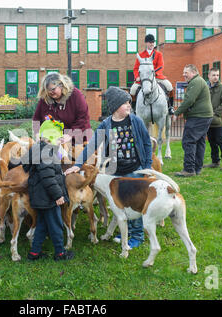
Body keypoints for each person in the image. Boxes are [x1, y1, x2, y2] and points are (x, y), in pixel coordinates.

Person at [65, 86, 152, 249]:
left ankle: (137, 235)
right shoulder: (106, 124)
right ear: (115, 106)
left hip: (135, 169)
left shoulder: (136, 121)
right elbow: (91, 146)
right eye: (125, 103)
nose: (129, 105)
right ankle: (126, 230)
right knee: (121, 203)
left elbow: (147, 143)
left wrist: (146, 167)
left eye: (129, 102)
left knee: (135, 202)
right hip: (116, 171)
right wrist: (77, 165)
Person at [22, 117, 73, 261]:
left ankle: (34, 253)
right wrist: (58, 195)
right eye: (59, 139)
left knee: (42, 225)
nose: (61, 142)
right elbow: (48, 178)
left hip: (40, 196)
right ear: (52, 137)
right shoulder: (47, 153)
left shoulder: (39, 149)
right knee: (56, 225)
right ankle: (60, 253)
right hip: (48, 197)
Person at [173, 64, 213, 177]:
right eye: (183, 72)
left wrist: (177, 113)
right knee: (200, 142)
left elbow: (189, 100)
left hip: (198, 117)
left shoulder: (196, 82)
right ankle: (197, 168)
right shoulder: (199, 81)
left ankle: (189, 170)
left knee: (188, 141)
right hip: (205, 116)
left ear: (194, 72)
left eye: (186, 72)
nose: (184, 74)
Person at [33, 72, 91, 145]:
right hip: (54, 141)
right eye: (47, 90)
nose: (50, 92)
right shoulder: (44, 99)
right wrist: (37, 134)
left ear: (61, 85)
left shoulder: (76, 95)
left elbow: (83, 119)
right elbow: (36, 119)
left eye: (53, 89)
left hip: (78, 141)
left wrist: (70, 135)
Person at [130, 34, 175, 115]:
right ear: (146, 43)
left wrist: (155, 74)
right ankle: (133, 110)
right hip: (143, 78)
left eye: (153, 42)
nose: (152, 44)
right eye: (150, 42)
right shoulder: (140, 55)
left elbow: (161, 66)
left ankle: (170, 107)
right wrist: (137, 77)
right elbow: (136, 68)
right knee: (132, 90)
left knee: (170, 87)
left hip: (157, 77)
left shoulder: (158, 54)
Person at [203, 67, 222, 171]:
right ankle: (215, 162)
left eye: (217, 75)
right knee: (211, 142)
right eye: (214, 75)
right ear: (209, 76)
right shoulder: (206, 87)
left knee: (220, 141)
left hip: (218, 121)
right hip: (207, 121)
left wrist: (215, 113)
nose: (216, 77)